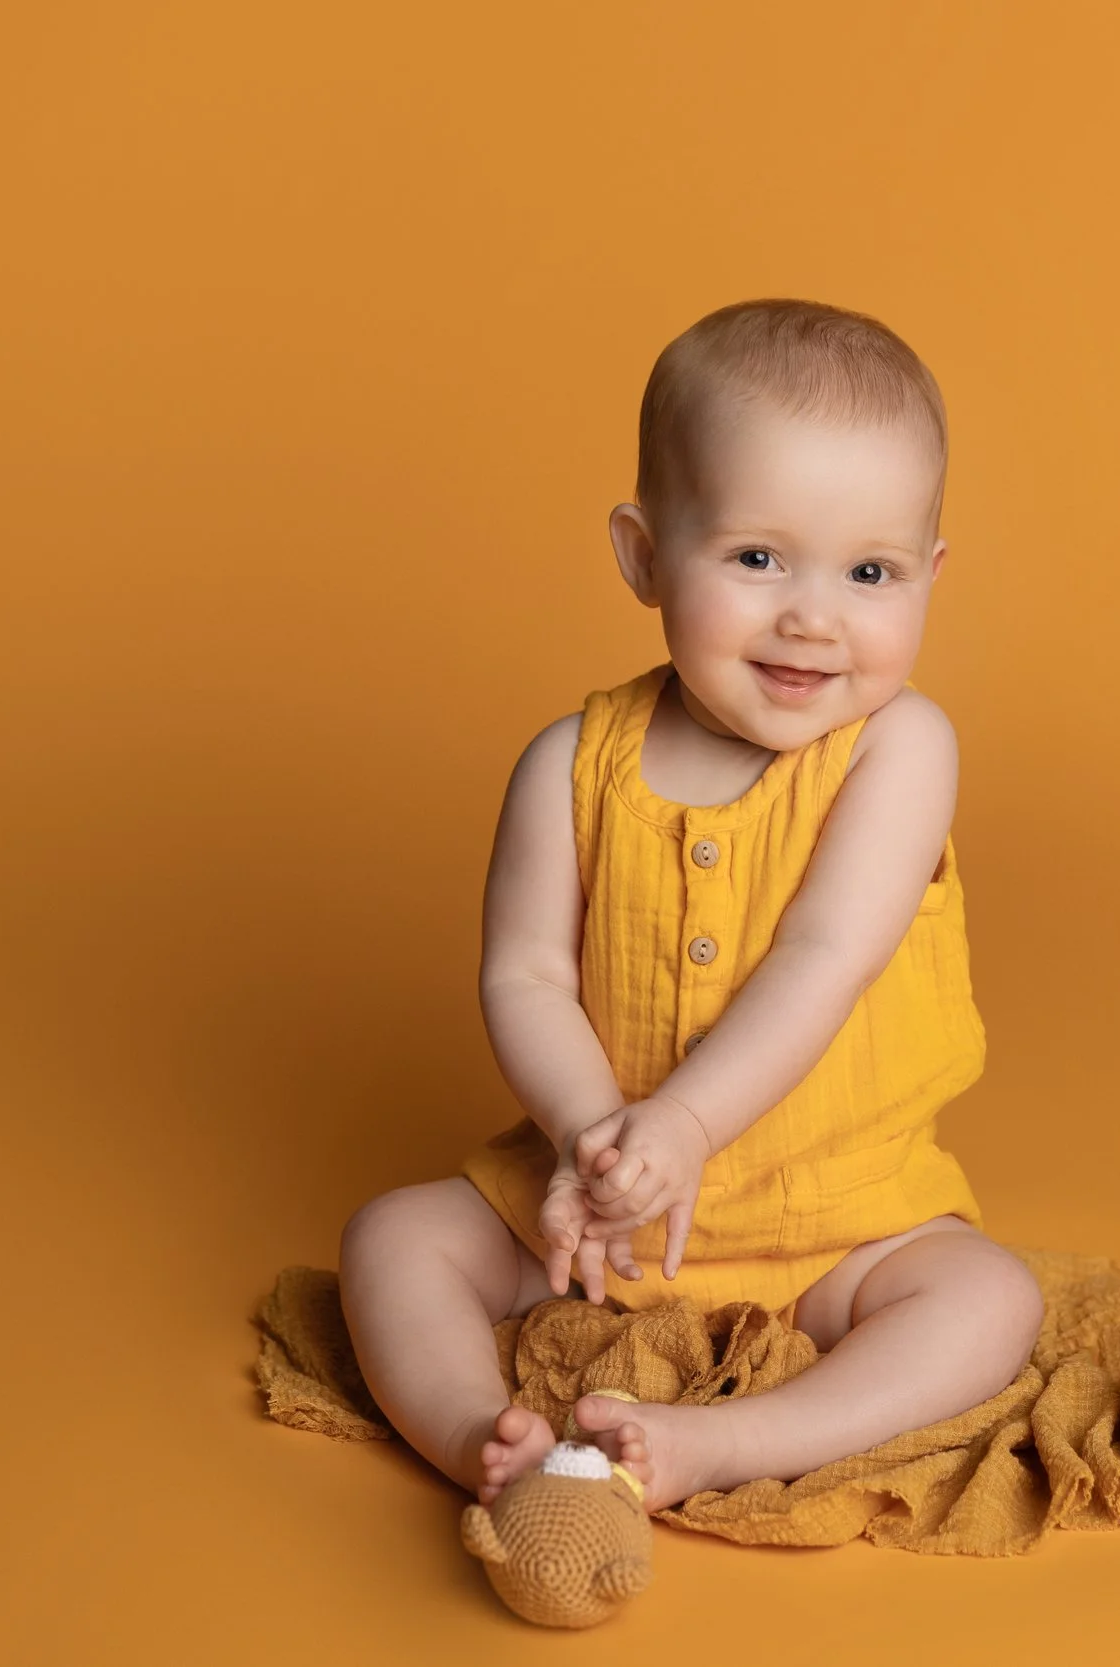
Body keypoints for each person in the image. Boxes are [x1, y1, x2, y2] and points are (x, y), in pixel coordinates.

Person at [337, 298, 1044, 1513]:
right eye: (757, 557)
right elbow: (525, 977)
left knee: (989, 1302)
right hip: (598, 1215)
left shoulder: (899, 747)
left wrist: (688, 1126)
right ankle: (475, 1431)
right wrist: (591, 1137)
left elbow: (826, 954)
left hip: (837, 1212)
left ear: (929, 577)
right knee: (393, 1238)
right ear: (644, 552)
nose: (812, 616)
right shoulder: (569, 761)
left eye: (868, 572)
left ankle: (733, 1439)